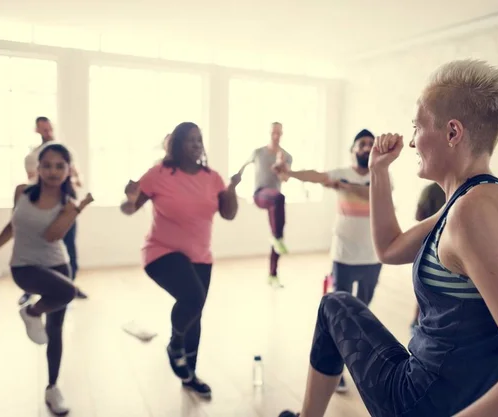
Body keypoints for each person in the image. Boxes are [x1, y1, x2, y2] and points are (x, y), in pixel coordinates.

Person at [278, 60, 498, 417]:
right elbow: (390, 247)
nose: (411, 141)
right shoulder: (474, 201)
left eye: (417, 126)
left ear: (452, 133)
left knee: (333, 306)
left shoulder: (474, 214)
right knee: (337, 302)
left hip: (421, 402)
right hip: (455, 392)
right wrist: (378, 170)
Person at [0, 143, 93, 416]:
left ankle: (52, 387)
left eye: (60, 166)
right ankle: (31, 311)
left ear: (68, 170)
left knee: (56, 329)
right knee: (67, 294)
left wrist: (76, 210)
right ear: (38, 168)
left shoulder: (67, 204)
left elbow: (52, 237)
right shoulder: (21, 192)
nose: (52, 171)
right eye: (46, 165)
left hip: (58, 265)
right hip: (24, 266)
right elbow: (11, 226)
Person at [121, 122, 241, 399]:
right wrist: (128, 199)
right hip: (160, 252)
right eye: (190, 140)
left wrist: (232, 189)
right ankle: (175, 346)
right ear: (176, 145)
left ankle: (189, 374)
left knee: (194, 313)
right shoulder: (158, 174)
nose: (197, 145)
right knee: (193, 299)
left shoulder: (213, 178)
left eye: (199, 139)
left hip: (201, 256)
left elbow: (229, 214)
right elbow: (130, 208)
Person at [280, 128, 386, 393]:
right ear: (353, 149)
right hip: (344, 256)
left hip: (373, 256)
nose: (366, 147)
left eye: (370, 144)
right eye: (362, 143)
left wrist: (345, 187)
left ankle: (357, 363)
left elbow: (376, 197)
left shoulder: (381, 176)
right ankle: (335, 370)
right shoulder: (342, 172)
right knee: (341, 314)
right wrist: (290, 173)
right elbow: (316, 176)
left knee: (362, 313)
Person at [20, 116, 88, 304]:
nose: (47, 132)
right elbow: (32, 183)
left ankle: (70, 287)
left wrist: (63, 180)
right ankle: (31, 290)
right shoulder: (31, 157)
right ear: (37, 130)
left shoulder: (67, 153)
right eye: (43, 129)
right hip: (40, 211)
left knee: (69, 249)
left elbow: (78, 179)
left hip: (64, 209)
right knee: (37, 250)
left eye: (49, 128)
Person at [241, 122, 293, 287]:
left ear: (282, 134)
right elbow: (243, 168)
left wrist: (281, 166)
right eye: (273, 133)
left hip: (275, 201)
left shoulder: (286, 156)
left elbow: (286, 179)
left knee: (277, 234)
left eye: (279, 133)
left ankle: (273, 275)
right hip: (261, 195)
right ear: (269, 133)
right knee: (279, 198)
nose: (276, 136)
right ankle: (277, 239)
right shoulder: (258, 152)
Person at [410, 182, 445, 334]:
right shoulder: (469, 192)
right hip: (449, 247)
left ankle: (416, 323)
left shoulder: (430, 190)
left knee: (423, 287)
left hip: (428, 243)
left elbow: (418, 216)